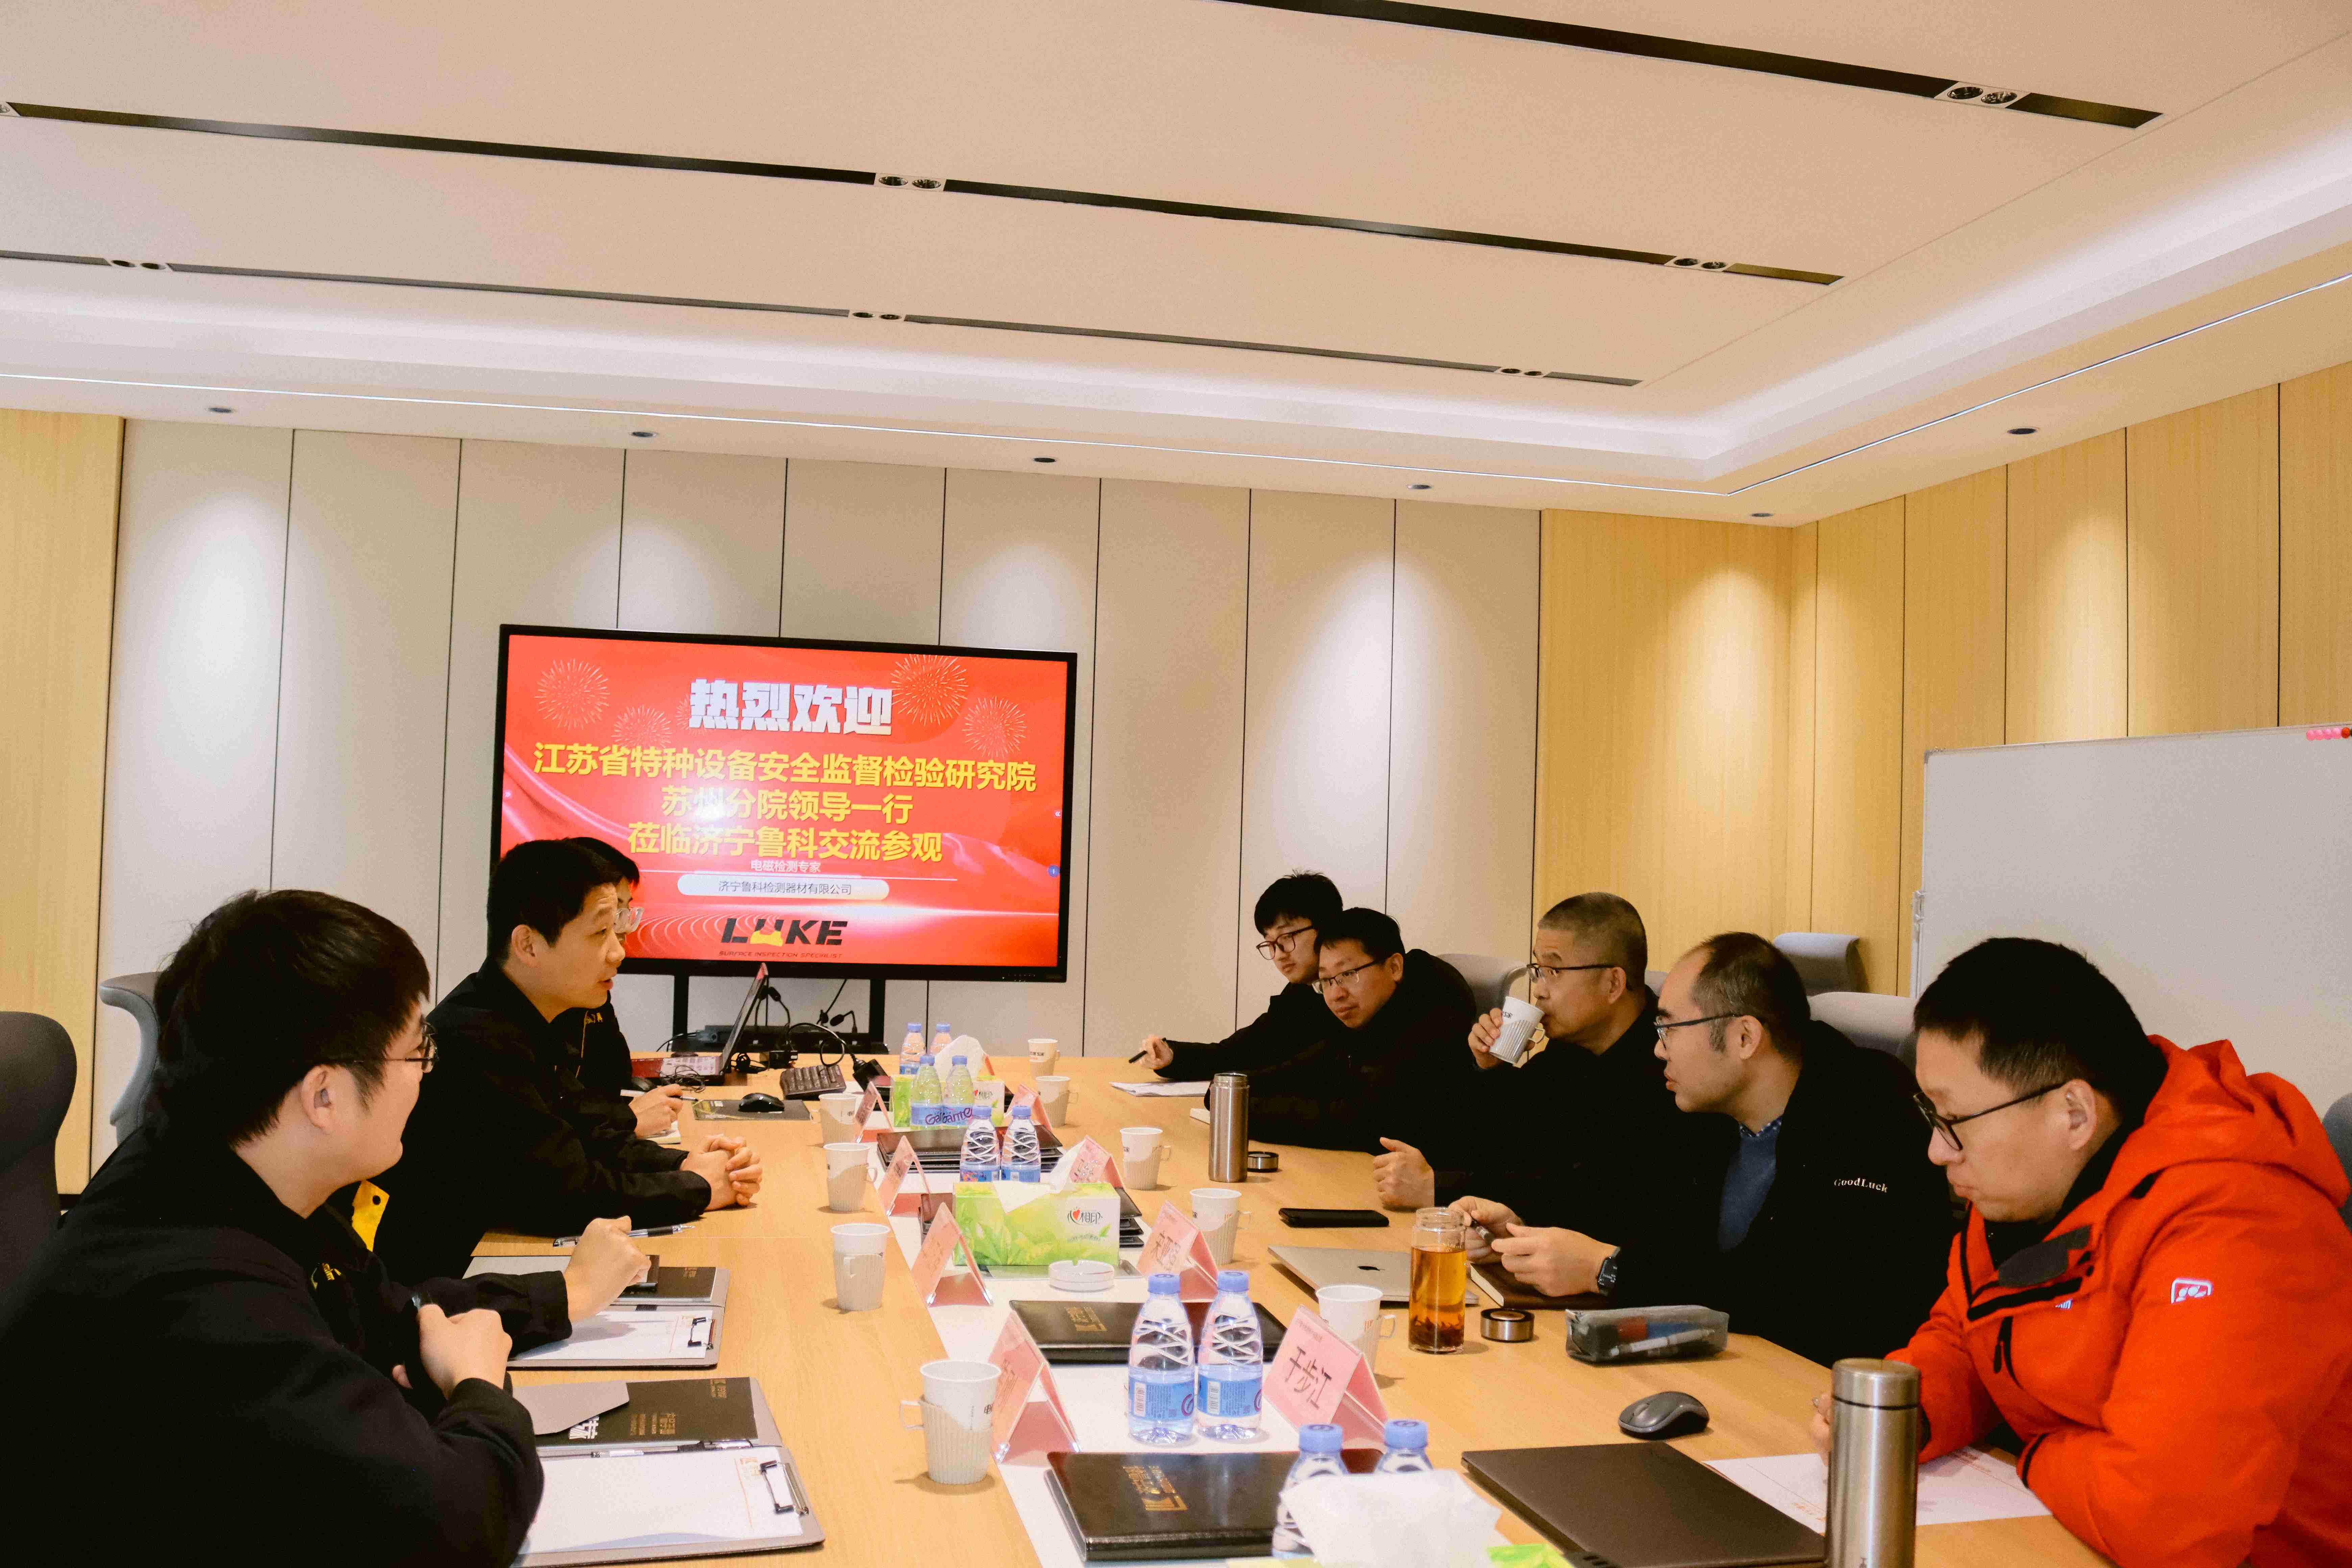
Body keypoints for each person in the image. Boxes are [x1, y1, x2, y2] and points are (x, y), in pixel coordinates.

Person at [0, 889, 650, 1564]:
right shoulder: (200, 1297)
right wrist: (478, 1388)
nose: (428, 1073)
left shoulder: (227, 1169)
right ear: (324, 1096)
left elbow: (393, 1314)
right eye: (417, 1051)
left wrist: (540, 1308)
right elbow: (459, 1524)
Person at [1806, 938, 2352, 1568]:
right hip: (2075, 1538)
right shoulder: (2031, 1183)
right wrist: (1907, 1414)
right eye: (1932, 1115)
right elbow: (1971, 1334)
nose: (1937, 1151)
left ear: (2074, 1113)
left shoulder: (2243, 1221)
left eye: (1954, 1121)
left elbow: (2166, 1520)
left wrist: (2038, 1447)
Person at [1453, 932, 1952, 1366]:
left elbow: (1803, 1297)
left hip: (1820, 1391)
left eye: (1669, 1028)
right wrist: (1521, 1227)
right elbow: (1632, 1207)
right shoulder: (1711, 1113)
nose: (1657, 1048)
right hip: (1724, 1367)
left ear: (1744, 1036)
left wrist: (1607, 1269)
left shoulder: (1866, 1113)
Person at [368, 839, 764, 1282]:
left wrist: (683, 1165)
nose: (618, 951)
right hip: (445, 1289)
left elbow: (588, 1135)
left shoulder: (527, 1015)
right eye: (599, 933)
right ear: (529, 945)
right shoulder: (479, 1040)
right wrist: (702, 1186)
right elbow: (568, 1195)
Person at [1374, 893, 1691, 1239]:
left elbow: (1585, 1194)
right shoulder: (1571, 1046)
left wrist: (1439, 1187)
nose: (1539, 991)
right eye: (1538, 970)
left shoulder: (1668, 1066)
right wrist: (1488, 1068)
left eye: (1554, 971)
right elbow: (1505, 1139)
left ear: (1613, 983)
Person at [1221, 906, 1481, 1155]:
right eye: (1326, 981)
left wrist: (1241, 1110)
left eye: (1348, 974)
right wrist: (1234, 1087)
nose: (1336, 994)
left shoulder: (1432, 1008)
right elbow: (1312, 1065)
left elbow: (1364, 1121)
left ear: (1394, 968)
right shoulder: (1368, 1017)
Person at [1140, 871, 1343, 1081]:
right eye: (1271, 943)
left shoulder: (1351, 995)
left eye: (1287, 936)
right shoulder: (1300, 993)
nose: (1279, 955)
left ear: (1326, 928)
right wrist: (1173, 1056)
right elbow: (1239, 1053)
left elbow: (1299, 1073)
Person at [565, 838, 689, 1141]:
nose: (620, 947)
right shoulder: (488, 1037)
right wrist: (627, 1120)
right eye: (603, 925)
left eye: (623, 914)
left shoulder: (587, 993)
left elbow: (613, 1074)